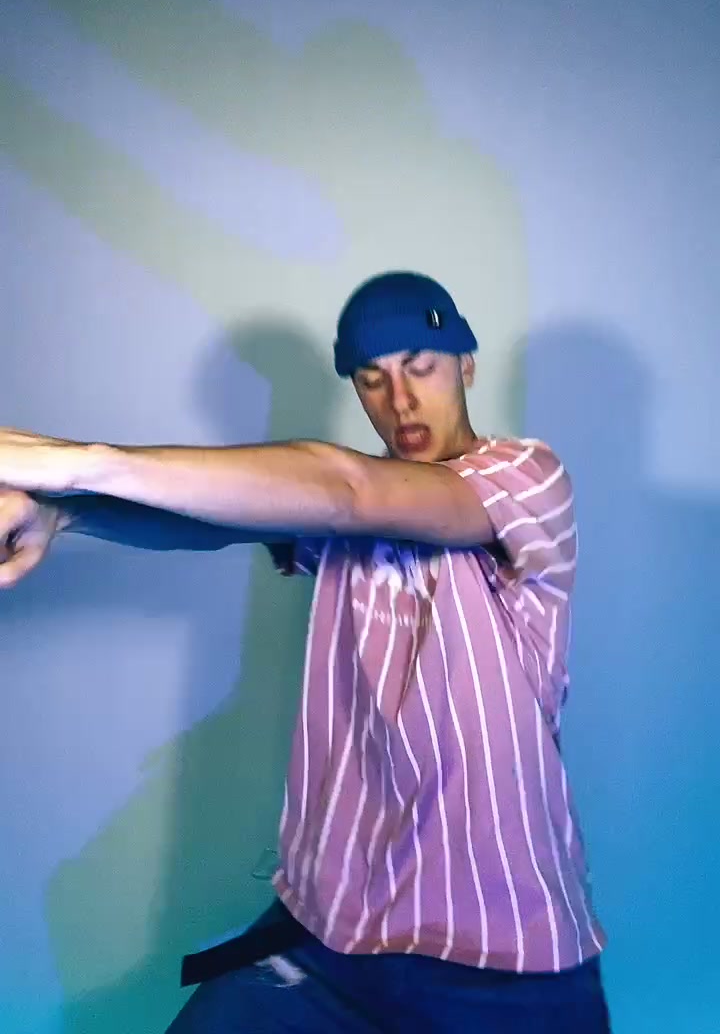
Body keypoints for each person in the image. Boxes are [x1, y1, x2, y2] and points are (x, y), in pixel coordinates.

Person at [0, 271, 611, 1032]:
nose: (399, 398)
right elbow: (211, 522)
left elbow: (347, 488)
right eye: (371, 377)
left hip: (498, 956)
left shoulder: (525, 479)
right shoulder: (337, 510)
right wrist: (65, 515)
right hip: (328, 939)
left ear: (466, 365)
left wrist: (75, 461)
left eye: (419, 366)